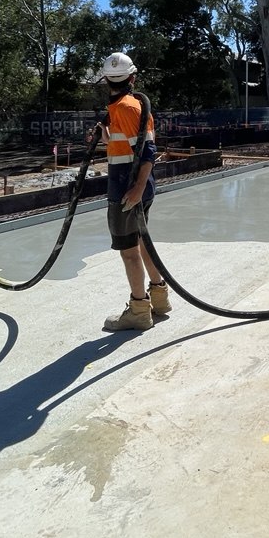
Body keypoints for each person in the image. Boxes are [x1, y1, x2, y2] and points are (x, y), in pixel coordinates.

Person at [96, 52, 172, 332]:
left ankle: (139, 309)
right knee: (142, 243)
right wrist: (104, 134)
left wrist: (137, 188)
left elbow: (147, 152)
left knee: (129, 251)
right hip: (138, 186)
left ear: (106, 79)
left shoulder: (127, 108)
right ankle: (159, 297)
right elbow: (126, 145)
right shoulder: (126, 107)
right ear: (133, 77)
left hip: (127, 190)